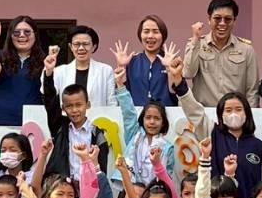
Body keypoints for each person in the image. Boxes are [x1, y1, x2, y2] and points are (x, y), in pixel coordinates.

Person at [177, 58, 262, 198]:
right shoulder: (212, 133)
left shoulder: (258, 146)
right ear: (221, 115)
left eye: (238, 109)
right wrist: (180, 84)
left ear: (247, 113)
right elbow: (194, 111)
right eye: (228, 110)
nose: (233, 114)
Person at [42, 48, 111, 180]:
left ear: (88, 104)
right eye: (69, 106)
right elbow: (50, 102)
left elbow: (102, 170)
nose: (74, 110)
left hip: (88, 187)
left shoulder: (98, 135)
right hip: (64, 186)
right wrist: (49, 74)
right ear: (63, 108)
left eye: (78, 105)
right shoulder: (60, 127)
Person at [114, 45, 177, 186]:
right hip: (132, 189)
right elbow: (128, 112)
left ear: (163, 122)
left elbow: (168, 177)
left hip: (154, 193)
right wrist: (120, 84)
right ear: (142, 119)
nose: (152, 122)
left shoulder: (167, 147)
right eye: (148, 118)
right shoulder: (134, 135)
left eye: (157, 118)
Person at [183, 0, 259, 106]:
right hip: (203, 113)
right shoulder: (197, 44)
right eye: (217, 18)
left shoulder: (246, 49)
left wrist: (250, 115)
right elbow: (188, 73)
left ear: (234, 21)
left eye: (228, 19)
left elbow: (252, 90)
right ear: (209, 19)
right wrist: (195, 40)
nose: (222, 23)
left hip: (234, 113)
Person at [0, 17, 46, 126]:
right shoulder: (1, 56)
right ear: (10, 36)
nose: (22, 35)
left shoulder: (45, 60)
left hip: (34, 123)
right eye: (16, 32)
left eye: (27, 32)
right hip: (3, 121)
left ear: (35, 35)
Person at [126, 15, 187, 107]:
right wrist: (121, 66)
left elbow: (177, 93)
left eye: (155, 31)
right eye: (146, 31)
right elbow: (123, 94)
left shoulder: (172, 61)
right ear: (140, 35)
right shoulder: (132, 62)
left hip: (166, 114)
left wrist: (169, 68)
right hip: (137, 114)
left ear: (163, 35)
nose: (150, 36)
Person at [50, 25, 117, 107]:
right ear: (71, 47)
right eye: (76, 44)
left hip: (97, 115)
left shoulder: (106, 71)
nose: (81, 48)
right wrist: (48, 71)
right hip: (67, 115)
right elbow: (48, 96)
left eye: (85, 44)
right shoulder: (59, 71)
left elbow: (112, 103)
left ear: (94, 47)